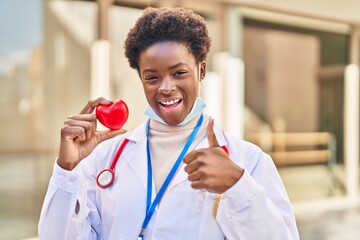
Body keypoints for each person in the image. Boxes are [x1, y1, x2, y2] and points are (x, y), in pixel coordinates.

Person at [38, 7, 299, 240]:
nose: (165, 87)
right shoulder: (104, 159)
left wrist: (237, 185)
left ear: (202, 70)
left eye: (179, 73)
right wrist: (67, 170)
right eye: (152, 77)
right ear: (141, 78)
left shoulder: (248, 161)